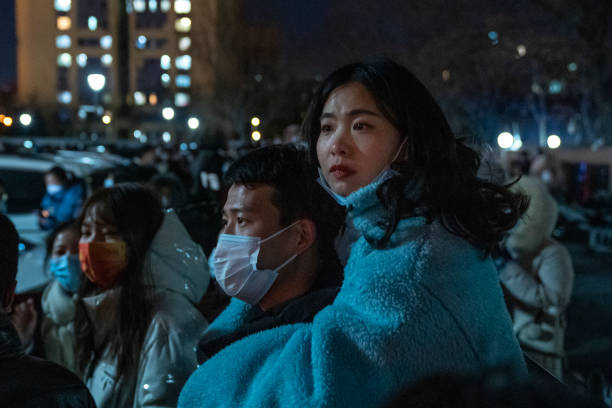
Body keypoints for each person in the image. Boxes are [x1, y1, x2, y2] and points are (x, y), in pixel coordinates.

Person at [178, 58, 529, 408]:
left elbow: (324, 384)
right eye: (327, 128)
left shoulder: (416, 258)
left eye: (360, 125)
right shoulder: (391, 232)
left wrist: (206, 380)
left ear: (408, 140)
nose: (336, 145)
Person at [184, 144, 344, 365]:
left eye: (241, 220)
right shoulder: (236, 323)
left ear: (301, 236)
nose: (225, 236)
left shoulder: (317, 347)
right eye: (225, 221)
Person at [75, 183, 209, 407]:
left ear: (142, 241)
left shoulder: (169, 323)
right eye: (86, 232)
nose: (91, 244)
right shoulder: (108, 307)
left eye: (109, 234)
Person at [0, 213, 95, 408]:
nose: (68, 259)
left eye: (76, 251)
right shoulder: (65, 390)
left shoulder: (110, 315)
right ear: (9, 295)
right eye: (60, 251)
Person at [499, 176, 574, 380]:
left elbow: (554, 298)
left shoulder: (553, 253)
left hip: (539, 345)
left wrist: (507, 269)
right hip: (510, 339)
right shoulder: (505, 249)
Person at [39, 166, 84, 231]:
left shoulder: (74, 194)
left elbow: (64, 217)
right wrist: (45, 221)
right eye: (48, 182)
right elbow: (46, 212)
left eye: (53, 181)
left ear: (63, 180)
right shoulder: (48, 198)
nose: (50, 185)